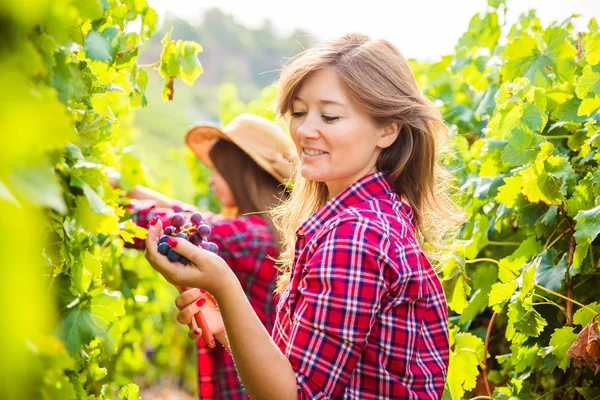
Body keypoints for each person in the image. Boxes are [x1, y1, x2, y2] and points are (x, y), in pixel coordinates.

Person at [145, 33, 465, 399]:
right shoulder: (368, 218)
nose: (304, 130)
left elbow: (295, 396)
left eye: (329, 116)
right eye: (298, 112)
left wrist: (225, 285)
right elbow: (299, 371)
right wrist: (225, 326)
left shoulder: (355, 234)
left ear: (387, 129)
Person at [126, 114, 298, 399]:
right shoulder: (271, 229)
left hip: (245, 386)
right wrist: (131, 188)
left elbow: (179, 230)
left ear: (241, 173)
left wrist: (103, 206)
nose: (211, 182)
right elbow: (194, 216)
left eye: (219, 171)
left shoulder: (248, 236)